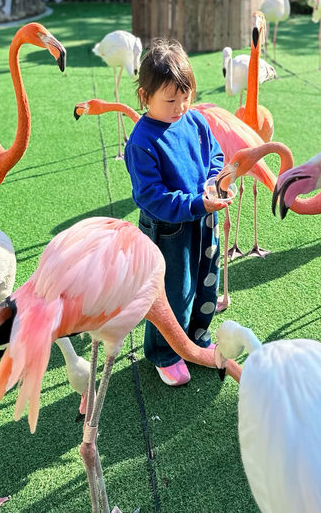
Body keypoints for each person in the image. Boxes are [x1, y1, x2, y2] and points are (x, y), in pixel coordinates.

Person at [124, 38, 231, 386]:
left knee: (206, 282)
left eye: (186, 97)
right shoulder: (142, 142)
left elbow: (214, 154)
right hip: (167, 232)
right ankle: (165, 352)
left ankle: (197, 337)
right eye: (170, 100)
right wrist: (196, 203)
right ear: (145, 97)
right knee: (171, 292)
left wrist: (213, 180)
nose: (180, 107)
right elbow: (151, 197)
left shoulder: (194, 121)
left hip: (203, 217)